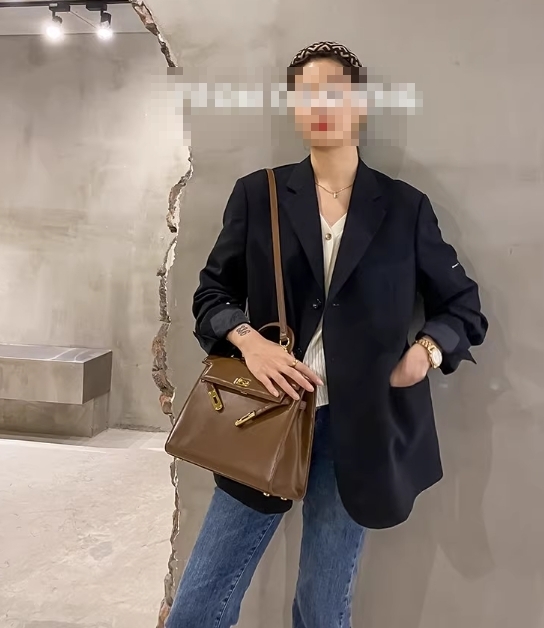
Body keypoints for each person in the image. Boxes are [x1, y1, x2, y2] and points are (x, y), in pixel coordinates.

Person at [166, 41, 488, 628]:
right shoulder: (258, 194)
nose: (318, 106)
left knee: (321, 608)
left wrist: (424, 353)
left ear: (359, 103)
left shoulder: (404, 207)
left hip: (357, 430)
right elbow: (211, 295)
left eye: (332, 93)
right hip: (265, 418)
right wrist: (250, 342)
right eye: (305, 95)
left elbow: (463, 306)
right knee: (198, 607)